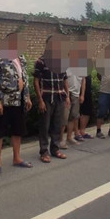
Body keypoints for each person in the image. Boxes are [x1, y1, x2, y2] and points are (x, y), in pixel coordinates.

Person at [0, 33, 33, 176]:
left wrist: (28, 97)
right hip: (4, 102)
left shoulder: (21, 58)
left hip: (19, 101)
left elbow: (25, 79)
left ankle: (17, 158)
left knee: (17, 130)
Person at [33, 34, 70, 163]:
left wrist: (67, 96)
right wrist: (40, 100)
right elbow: (36, 81)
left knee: (57, 125)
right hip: (47, 98)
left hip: (60, 97)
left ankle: (55, 149)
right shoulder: (41, 61)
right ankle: (44, 151)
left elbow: (64, 80)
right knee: (45, 126)